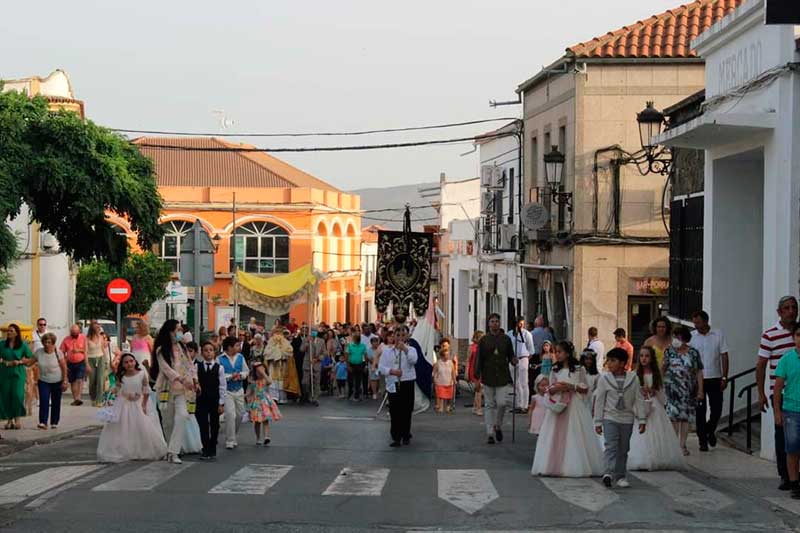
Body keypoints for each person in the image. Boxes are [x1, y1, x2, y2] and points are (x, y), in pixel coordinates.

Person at [532, 340, 603, 477]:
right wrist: (555, 389)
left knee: (574, 434)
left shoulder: (578, 369)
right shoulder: (554, 369)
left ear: (568, 353)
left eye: (560, 352)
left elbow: (585, 388)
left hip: (574, 405)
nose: (557, 355)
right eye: (556, 352)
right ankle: (552, 464)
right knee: (555, 435)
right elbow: (549, 388)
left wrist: (571, 387)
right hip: (558, 405)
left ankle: (575, 464)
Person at [758, 295, 798, 490]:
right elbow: (761, 365)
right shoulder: (770, 335)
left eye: (794, 307)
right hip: (780, 394)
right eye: (787, 308)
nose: (791, 311)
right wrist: (761, 393)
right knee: (782, 435)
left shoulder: (799, 332)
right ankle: (786, 475)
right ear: (780, 312)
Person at [97, 353, 168, 463]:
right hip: (124, 404)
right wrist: (114, 391)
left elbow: (146, 390)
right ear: (123, 364)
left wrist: (144, 404)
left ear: (135, 362)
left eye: (131, 361)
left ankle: (141, 449)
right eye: (126, 362)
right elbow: (118, 387)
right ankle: (125, 449)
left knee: (141, 426)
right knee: (123, 427)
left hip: (138, 403)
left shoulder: (141, 374)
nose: (129, 364)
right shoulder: (121, 375)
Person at [594, 348, 646, 488]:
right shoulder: (604, 378)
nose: (609, 364)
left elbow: (639, 399)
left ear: (623, 363)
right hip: (609, 417)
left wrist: (642, 419)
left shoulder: (633, 378)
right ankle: (608, 473)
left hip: (627, 419)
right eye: (608, 360)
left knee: (624, 448)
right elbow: (599, 400)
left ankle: (621, 476)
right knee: (611, 446)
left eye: (613, 360)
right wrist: (598, 421)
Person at [628, 346, 685, 471]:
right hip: (639, 405)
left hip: (653, 405)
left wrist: (653, 391)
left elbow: (661, 394)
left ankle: (656, 457)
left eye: (647, 356)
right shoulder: (634, 374)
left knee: (655, 431)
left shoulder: (655, 374)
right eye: (642, 356)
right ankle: (639, 457)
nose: (644, 358)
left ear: (652, 358)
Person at [152, 319, 198, 464]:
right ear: (170, 331)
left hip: (182, 390)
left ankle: (173, 452)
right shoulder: (161, 350)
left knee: (183, 416)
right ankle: (170, 449)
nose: (180, 332)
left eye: (181, 330)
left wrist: (195, 380)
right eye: (177, 330)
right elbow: (166, 369)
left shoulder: (182, 348)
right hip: (166, 389)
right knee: (168, 422)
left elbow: (190, 365)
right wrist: (181, 379)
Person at [690, 310, 729, 452]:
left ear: (706, 321)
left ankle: (709, 430)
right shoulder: (692, 337)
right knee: (700, 411)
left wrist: (725, 376)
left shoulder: (718, 334)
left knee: (717, 409)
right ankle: (702, 441)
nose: (697, 325)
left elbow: (724, 355)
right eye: (695, 323)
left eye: (699, 322)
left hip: (715, 377)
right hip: (698, 379)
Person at [475, 313, 517, 445]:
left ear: (500, 323)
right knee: (489, 405)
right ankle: (489, 433)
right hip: (488, 376)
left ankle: (497, 425)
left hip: (502, 376)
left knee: (502, 403)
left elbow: (511, 355)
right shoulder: (483, 340)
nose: (495, 324)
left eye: (497, 321)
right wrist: (477, 378)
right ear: (488, 324)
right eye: (492, 321)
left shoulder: (506, 339)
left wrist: (513, 360)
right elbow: (478, 360)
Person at [663, 325, 704, 456]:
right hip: (672, 389)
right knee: (674, 417)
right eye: (674, 336)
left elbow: (698, 372)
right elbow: (663, 368)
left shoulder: (693, 353)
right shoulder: (669, 351)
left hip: (688, 390)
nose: (675, 339)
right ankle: (675, 444)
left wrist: (700, 390)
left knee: (685, 418)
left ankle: (682, 445)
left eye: (678, 336)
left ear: (684, 338)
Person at [379, 324, 418, 447]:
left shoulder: (411, 350)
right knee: (395, 411)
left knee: (406, 410)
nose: (400, 337)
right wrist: (392, 371)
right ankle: (396, 437)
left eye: (403, 335)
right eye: (397, 335)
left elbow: (413, 360)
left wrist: (405, 350)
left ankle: (406, 434)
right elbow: (381, 367)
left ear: (407, 336)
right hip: (393, 383)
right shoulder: (387, 351)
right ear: (393, 336)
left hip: (407, 382)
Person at [773, 325, 800, 499]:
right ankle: (794, 484)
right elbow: (778, 388)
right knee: (792, 449)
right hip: (791, 411)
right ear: (794, 338)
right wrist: (777, 412)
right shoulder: (787, 359)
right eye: (798, 335)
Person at [27, 332, 67, 430]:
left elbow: (64, 367)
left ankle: (54, 422)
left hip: (57, 380)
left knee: (55, 402)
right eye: (45, 342)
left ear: (53, 343)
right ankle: (43, 422)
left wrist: (65, 380)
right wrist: (19, 361)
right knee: (44, 401)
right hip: (44, 380)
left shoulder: (58, 353)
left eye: (49, 342)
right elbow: (29, 362)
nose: (47, 344)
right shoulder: (39, 352)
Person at [195, 341, 226, 461]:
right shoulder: (197, 367)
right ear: (202, 353)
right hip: (201, 400)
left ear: (214, 352)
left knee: (215, 425)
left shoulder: (220, 368)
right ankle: (205, 448)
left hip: (214, 400)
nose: (208, 352)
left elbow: (222, 386)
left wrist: (221, 403)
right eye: (206, 350)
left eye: (211, 350)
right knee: (203, 425)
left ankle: (212, 447)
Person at [0, 324, 32, 430]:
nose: (8, 332)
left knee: (17, 395)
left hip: (18, 373)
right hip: (4, 372)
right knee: (6, 396)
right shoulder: (2, 344)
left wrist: (19, 361)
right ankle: (9, 420)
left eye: (11, 331)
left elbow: (30, 359)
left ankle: (17, 419)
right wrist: (4, 362)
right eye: (8, 331)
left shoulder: (22, 345)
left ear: (16, 333)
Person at [219, 336, 249, 450]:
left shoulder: (240, 357)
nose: (239, 347)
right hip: (227, 391)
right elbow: (219, 375)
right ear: (229, 347)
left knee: (240, 414)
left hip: (239, 389)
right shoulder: (220, 359)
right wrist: (230, 377)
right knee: (230, 414)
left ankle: (233, 434)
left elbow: (246, 371)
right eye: (236, 345)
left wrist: (241, 375)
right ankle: (230, 440)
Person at [246, 361, 282, 446]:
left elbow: (269, 381)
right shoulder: (253, 382)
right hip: (256, 402)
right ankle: (258, 438)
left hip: (265, 402)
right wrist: (245, 396)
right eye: (258, 372)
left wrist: (263, 373)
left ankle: (266, 437)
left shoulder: (265, 380)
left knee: (266, 420)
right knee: (257, 422)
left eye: (262, 370)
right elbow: (250, 392)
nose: (260, 373)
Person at [508, 317, 535, 413]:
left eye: (522, 324)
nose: (521, 326)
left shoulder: (527, 334)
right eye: (520, 324)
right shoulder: (510, 334)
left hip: (523, 358)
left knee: (524, 383)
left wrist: (525, 359)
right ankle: (518, 404)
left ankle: (525, 405)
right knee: (516, 383)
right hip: (513, 360)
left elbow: (531, 350)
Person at [180, 342, 202, 455]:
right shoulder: (178, 363)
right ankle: (181, 444)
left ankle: (193, 443)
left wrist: (196, 384)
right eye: (185, 351)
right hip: (180, 391)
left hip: (190, 392)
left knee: (190, 416)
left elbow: (195, 376)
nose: (187, 353)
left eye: (190, 351)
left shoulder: (195, 365)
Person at [60, 324, 88, 406]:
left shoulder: (83, 338)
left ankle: (79, 398)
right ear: (70, 332)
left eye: (76, 332)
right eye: (72, 332)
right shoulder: (66, 339)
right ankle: (75, 399)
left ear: (79, 331)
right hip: (70, 363)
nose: (74, 333)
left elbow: (86, 350)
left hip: (81, 361)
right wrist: (64, 359)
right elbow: (61, 351)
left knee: (79, 379)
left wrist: (78, 350)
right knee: (72, 381)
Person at [85, 321, 107, 407]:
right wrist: (87, 364)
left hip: (100, 358)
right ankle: (93, 398)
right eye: (97, 328)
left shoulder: (101, 337)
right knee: (92, 381)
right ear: (92, 329)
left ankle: (99, 400)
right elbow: (85, 352)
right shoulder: (87, 339)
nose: (98, 329)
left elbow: (103, 349)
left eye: (99, 328)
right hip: (91, 359)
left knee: (100, 380)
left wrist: (105, 361)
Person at [301, 329, 325, 406]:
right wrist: (307, 343)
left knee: (316, 383)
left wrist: (317, 359)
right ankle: (307, 396)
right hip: (307, 364)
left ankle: (315, 398)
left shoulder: (321, 341)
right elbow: (301, 350)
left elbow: (324, 353)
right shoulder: (306, 339)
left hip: (316, 364)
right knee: (305, 382)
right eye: (312, 331)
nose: (313, 333)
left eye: (315, 331)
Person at [434, 338, 456, 414]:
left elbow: (453, 372)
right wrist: (435, 380)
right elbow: (435, 372)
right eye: (446, 355)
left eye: (448, 355)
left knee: (449, 396)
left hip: (449, 382)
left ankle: (448, 407)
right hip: (440, 381)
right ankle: (441, 407)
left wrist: (454, 379)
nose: (447, 356)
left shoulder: (450, 362)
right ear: (442, 356)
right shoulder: (438, 363)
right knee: (441, 395)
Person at [467, 330, 484, 417]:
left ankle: (475, 407)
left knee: (478, 389)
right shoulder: (472, 347)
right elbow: (468, 360)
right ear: (476, 338)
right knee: (479, 389)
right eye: (481, 337)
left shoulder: (484, 347)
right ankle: (479, 408)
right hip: (474, 370)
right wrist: (466, 372)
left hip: (481, 370)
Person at [346, 332, 368, 401]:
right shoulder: (350, 346)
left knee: (358, 381)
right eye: (356, 338)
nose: (357, 339)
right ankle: (350, 394)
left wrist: (365, 366)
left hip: (360, 364)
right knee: (350, 381)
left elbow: (365, 356)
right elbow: (346, 355)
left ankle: (356, 396)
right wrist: (348, 366)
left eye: (358, 338)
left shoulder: (363, 346)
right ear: (354, 339)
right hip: (351, 364)